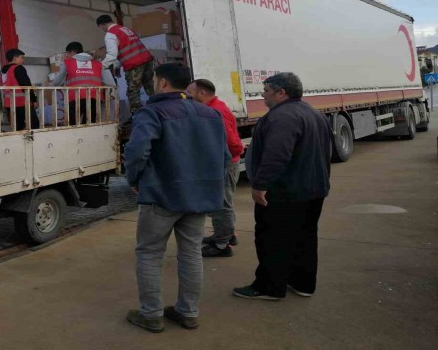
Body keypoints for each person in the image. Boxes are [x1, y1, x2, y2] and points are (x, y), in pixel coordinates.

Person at [124, 63, 231, 333]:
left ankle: (150, 314)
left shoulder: (152, 112)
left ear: (161, 83)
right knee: (191, 253)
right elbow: (225, 157)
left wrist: (135, 180)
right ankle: (188, 311)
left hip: (161, 196)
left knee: (149, 253)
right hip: (198, 199)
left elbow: (137, 152)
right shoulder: (210, 114)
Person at [233, 72, 332, 301]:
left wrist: (260, 185)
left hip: (286, 192)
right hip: (313, 189)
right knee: (304, 238)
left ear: (281, 93)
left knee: (272, 239)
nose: (263, 95)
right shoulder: (313, 113)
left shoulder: (281, 118)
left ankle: (270, 287)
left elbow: (277, 155)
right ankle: (303, 283)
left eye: (266, 91)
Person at [186, 79, 244, 257]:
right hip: (225, 162)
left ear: (201, 93)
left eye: (189, 92)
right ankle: (226, 234)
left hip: (224, 164)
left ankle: (221, 245)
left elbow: (231, 141)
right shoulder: (215, 106)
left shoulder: (215, 110)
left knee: (221, 204)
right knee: (224, 201)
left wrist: (232, 157)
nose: (186, 96)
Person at [96, 15, 154, 123]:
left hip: (134, 65)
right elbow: (125, 48)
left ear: (102, 25)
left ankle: (137, 118)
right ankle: (159, 111)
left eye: (101, 28)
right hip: (147, 60)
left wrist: (98, 68)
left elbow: (112, 55)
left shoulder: (110, 34)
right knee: (150, 88)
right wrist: (117, 65)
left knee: (133, 92)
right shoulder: (125, 29)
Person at [52, 42, 115, 125]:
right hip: (95, 98)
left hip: (75, 98)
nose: (67, 56)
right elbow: (111, 83)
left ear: (72, 52)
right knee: (89, 124)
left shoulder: (68, 62)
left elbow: (57, 82)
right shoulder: (99, 64)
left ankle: (74, 137)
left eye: (67, 54)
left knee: (73, 125)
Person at [1, 48, 39, 131]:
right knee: (34, 125)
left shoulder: (4, 71)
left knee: (18, 126)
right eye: (22, 57)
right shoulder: (18, 68)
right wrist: (34, 100)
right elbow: (26, 86)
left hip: (9, 103)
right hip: (21, 102)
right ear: (15, 58)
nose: (23, 60)